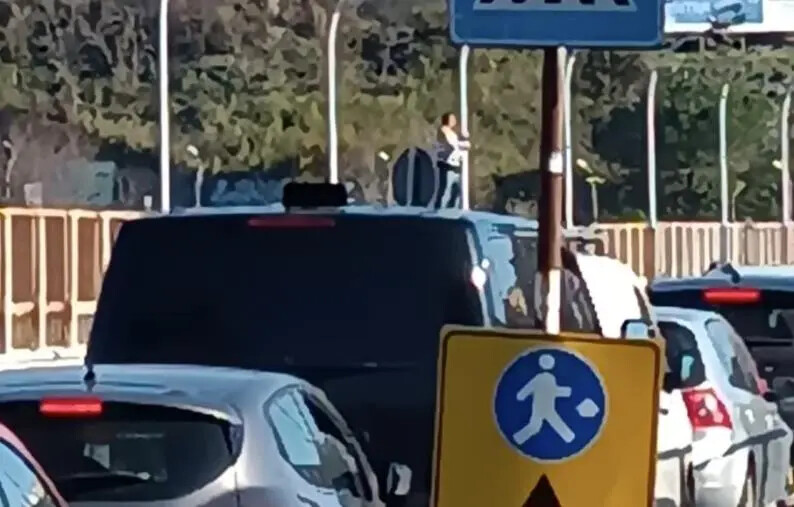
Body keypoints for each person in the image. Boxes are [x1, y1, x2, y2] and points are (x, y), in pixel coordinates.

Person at [434, 112, 469, 208]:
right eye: (452, 118)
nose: (454, 120)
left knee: (456, 188)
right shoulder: (444, 130)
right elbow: (454, 143)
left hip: (455, 163)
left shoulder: (453, 132)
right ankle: (441, 209)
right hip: (447, 163)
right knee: (447, 188)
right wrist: (463, 144)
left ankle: (453, 208)